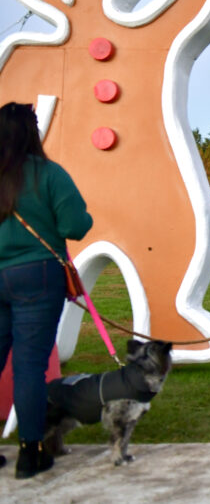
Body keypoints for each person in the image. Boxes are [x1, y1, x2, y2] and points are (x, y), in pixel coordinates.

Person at [0, 102, 92, 478]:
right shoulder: (48, 174)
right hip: (37, 276)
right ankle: (31, 452)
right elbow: (76, 224)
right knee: (29, 367)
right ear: (32, 133)